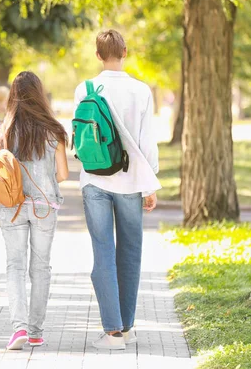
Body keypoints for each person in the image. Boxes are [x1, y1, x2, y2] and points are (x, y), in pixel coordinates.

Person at [73, 30, 161, 350]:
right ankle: (127, 327)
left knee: (103, 253)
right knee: (130, 253)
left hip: (94, 179)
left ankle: (112, 333)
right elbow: (147, 142)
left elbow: (81, 135)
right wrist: (150, 183)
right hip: (131, 181)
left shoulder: (84, 88)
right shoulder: (141, 90)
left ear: (98, 55)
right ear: (125, 51)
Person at [0, 71, 69, 350]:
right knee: (41, 268)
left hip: (11, 205)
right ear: (39, 94)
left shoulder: (5, 129)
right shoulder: (54, 130)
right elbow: (62, 175)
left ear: (13, 96)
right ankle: (36, 331)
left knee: (14, 266)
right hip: (44, 207)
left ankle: (19, 329)